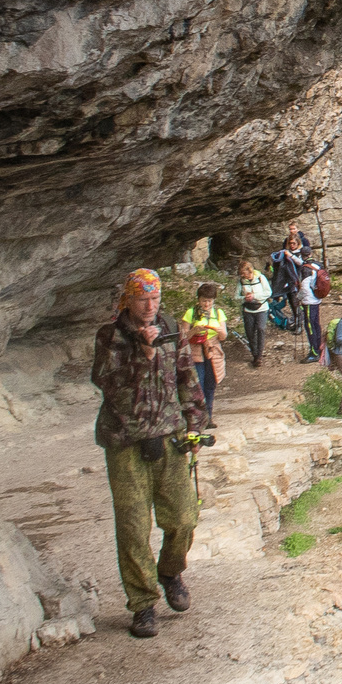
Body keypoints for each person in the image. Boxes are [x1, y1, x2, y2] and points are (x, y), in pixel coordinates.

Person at [90, 268, 208, 639]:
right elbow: (107, 383)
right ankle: (142, 604)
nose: (149, 306)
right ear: (129, 299)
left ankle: (170, 571)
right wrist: (142, 352)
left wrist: (195, 423)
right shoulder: (111, 336)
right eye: (143, 299)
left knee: (184, 518)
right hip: (126, 441)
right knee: (133, 527)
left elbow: (187, 377)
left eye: (155, 299)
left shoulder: (171, 329)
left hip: (170, 434)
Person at [181, 280, 228, 410]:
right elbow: (183, 336)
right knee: (198, 384)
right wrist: (193, 331)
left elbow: (223, 336)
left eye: (209, 301)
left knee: (210, 384)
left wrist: (219, 330)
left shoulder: (218, 313)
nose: (206, 304)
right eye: (203, 301)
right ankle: (198, 416)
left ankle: (209, 415)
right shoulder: (191, 312)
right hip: (196, 350)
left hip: (213, 350)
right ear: (199, 300)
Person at [237, 258, 269, 366]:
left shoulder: (260, 278)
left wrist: (254, 296)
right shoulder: (241, 282)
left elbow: (268, 292)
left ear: (250, 271)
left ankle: (259, 355)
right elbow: (236, 296)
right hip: (248, 309)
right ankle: (254, 354)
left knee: (261, 329)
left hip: (261, 308)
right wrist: (244, 298)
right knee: (250, 333)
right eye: (242, 274)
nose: (244, 276)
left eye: (245, 273)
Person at [298, 257, 326, 362]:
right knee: (316, 325)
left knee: (310, 326)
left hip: (309, 302)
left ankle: (314, 352)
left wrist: (298, 298)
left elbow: (304, 288)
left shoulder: (306, 269)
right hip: (317, 299)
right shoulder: (317, 265)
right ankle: (319, 348)